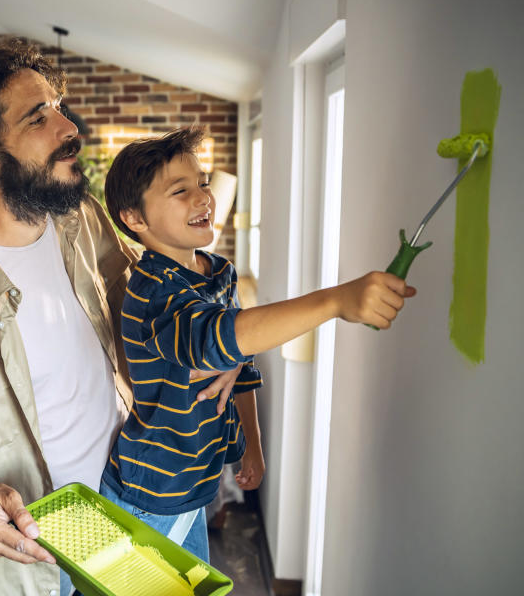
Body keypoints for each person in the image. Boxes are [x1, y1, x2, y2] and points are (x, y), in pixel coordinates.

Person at [0, 40, 245, 596]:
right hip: (33, 555)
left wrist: (215, 351)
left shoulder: (81, 218)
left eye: (59, 108)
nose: (69, 128)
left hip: (130, 506)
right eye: (38, 117)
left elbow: (153, 305)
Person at [98, 127, 415, 562]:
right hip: (152, 491)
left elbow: (239, 362)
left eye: (203, 183)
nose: (203, 198)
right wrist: (338, 300)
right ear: (135, 219)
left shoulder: (219, 272)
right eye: (180, 190)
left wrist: (253, 444)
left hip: (196, 483)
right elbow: (219, 340)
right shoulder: (153, 292)